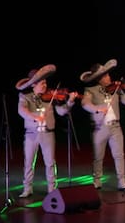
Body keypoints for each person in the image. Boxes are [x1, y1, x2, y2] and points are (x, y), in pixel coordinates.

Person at [15, 64, 78, 199]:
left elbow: (61, 112)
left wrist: (70, 101)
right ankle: (27, 188)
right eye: (42, 83)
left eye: (45, 82)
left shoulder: (51, 96)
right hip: (31, 134)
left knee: (50, 162)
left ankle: (52, 188)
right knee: (29, 162)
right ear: (33, 85)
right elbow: (22, 111)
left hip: (48, 134)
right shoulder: (25, 96)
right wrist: (35, 117)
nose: (45, 85)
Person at [80, 59, 125, 192]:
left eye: (108, 75)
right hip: (100, 127)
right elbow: (85, 103)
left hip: (115, 127)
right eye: (106, 76)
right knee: (98, 156)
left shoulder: (116, 89)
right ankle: (97, 181)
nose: (109, 77)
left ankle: (122, 181)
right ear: (99, 78)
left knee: (119, 155)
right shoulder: (90, 90)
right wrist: (97, 109)